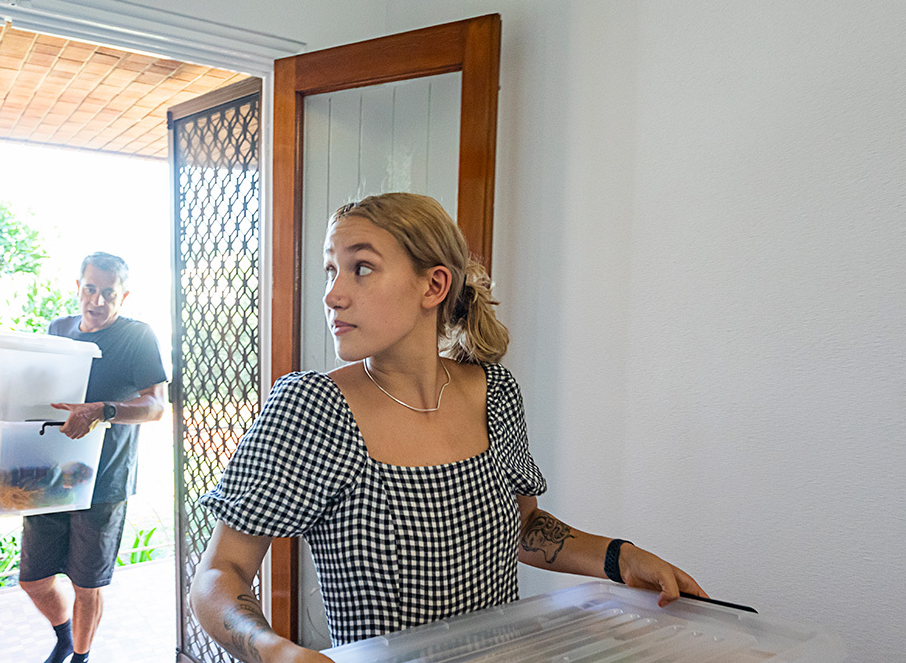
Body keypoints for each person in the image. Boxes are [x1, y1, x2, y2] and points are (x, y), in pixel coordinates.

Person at [190, 193, 707, 662]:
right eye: (331, 270)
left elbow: (524, 530)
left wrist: (622, 557)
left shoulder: (495, 392)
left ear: (433, 285)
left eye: (361, 268)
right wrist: (273, 650)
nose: (333, 295)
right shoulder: (312, 409)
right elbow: (220, 572)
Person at [19, 252, 168, 663]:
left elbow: (156, 407)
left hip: (104, 481)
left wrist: (103, 410)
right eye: (90, 289)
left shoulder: (137, 336)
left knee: (87, 585)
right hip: (49, 474)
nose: (97, 301)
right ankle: (64, 637)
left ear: (123, 296)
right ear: (78, 287)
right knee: (33, 579)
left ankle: (81, 657)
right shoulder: (59, 330)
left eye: (108, 293)